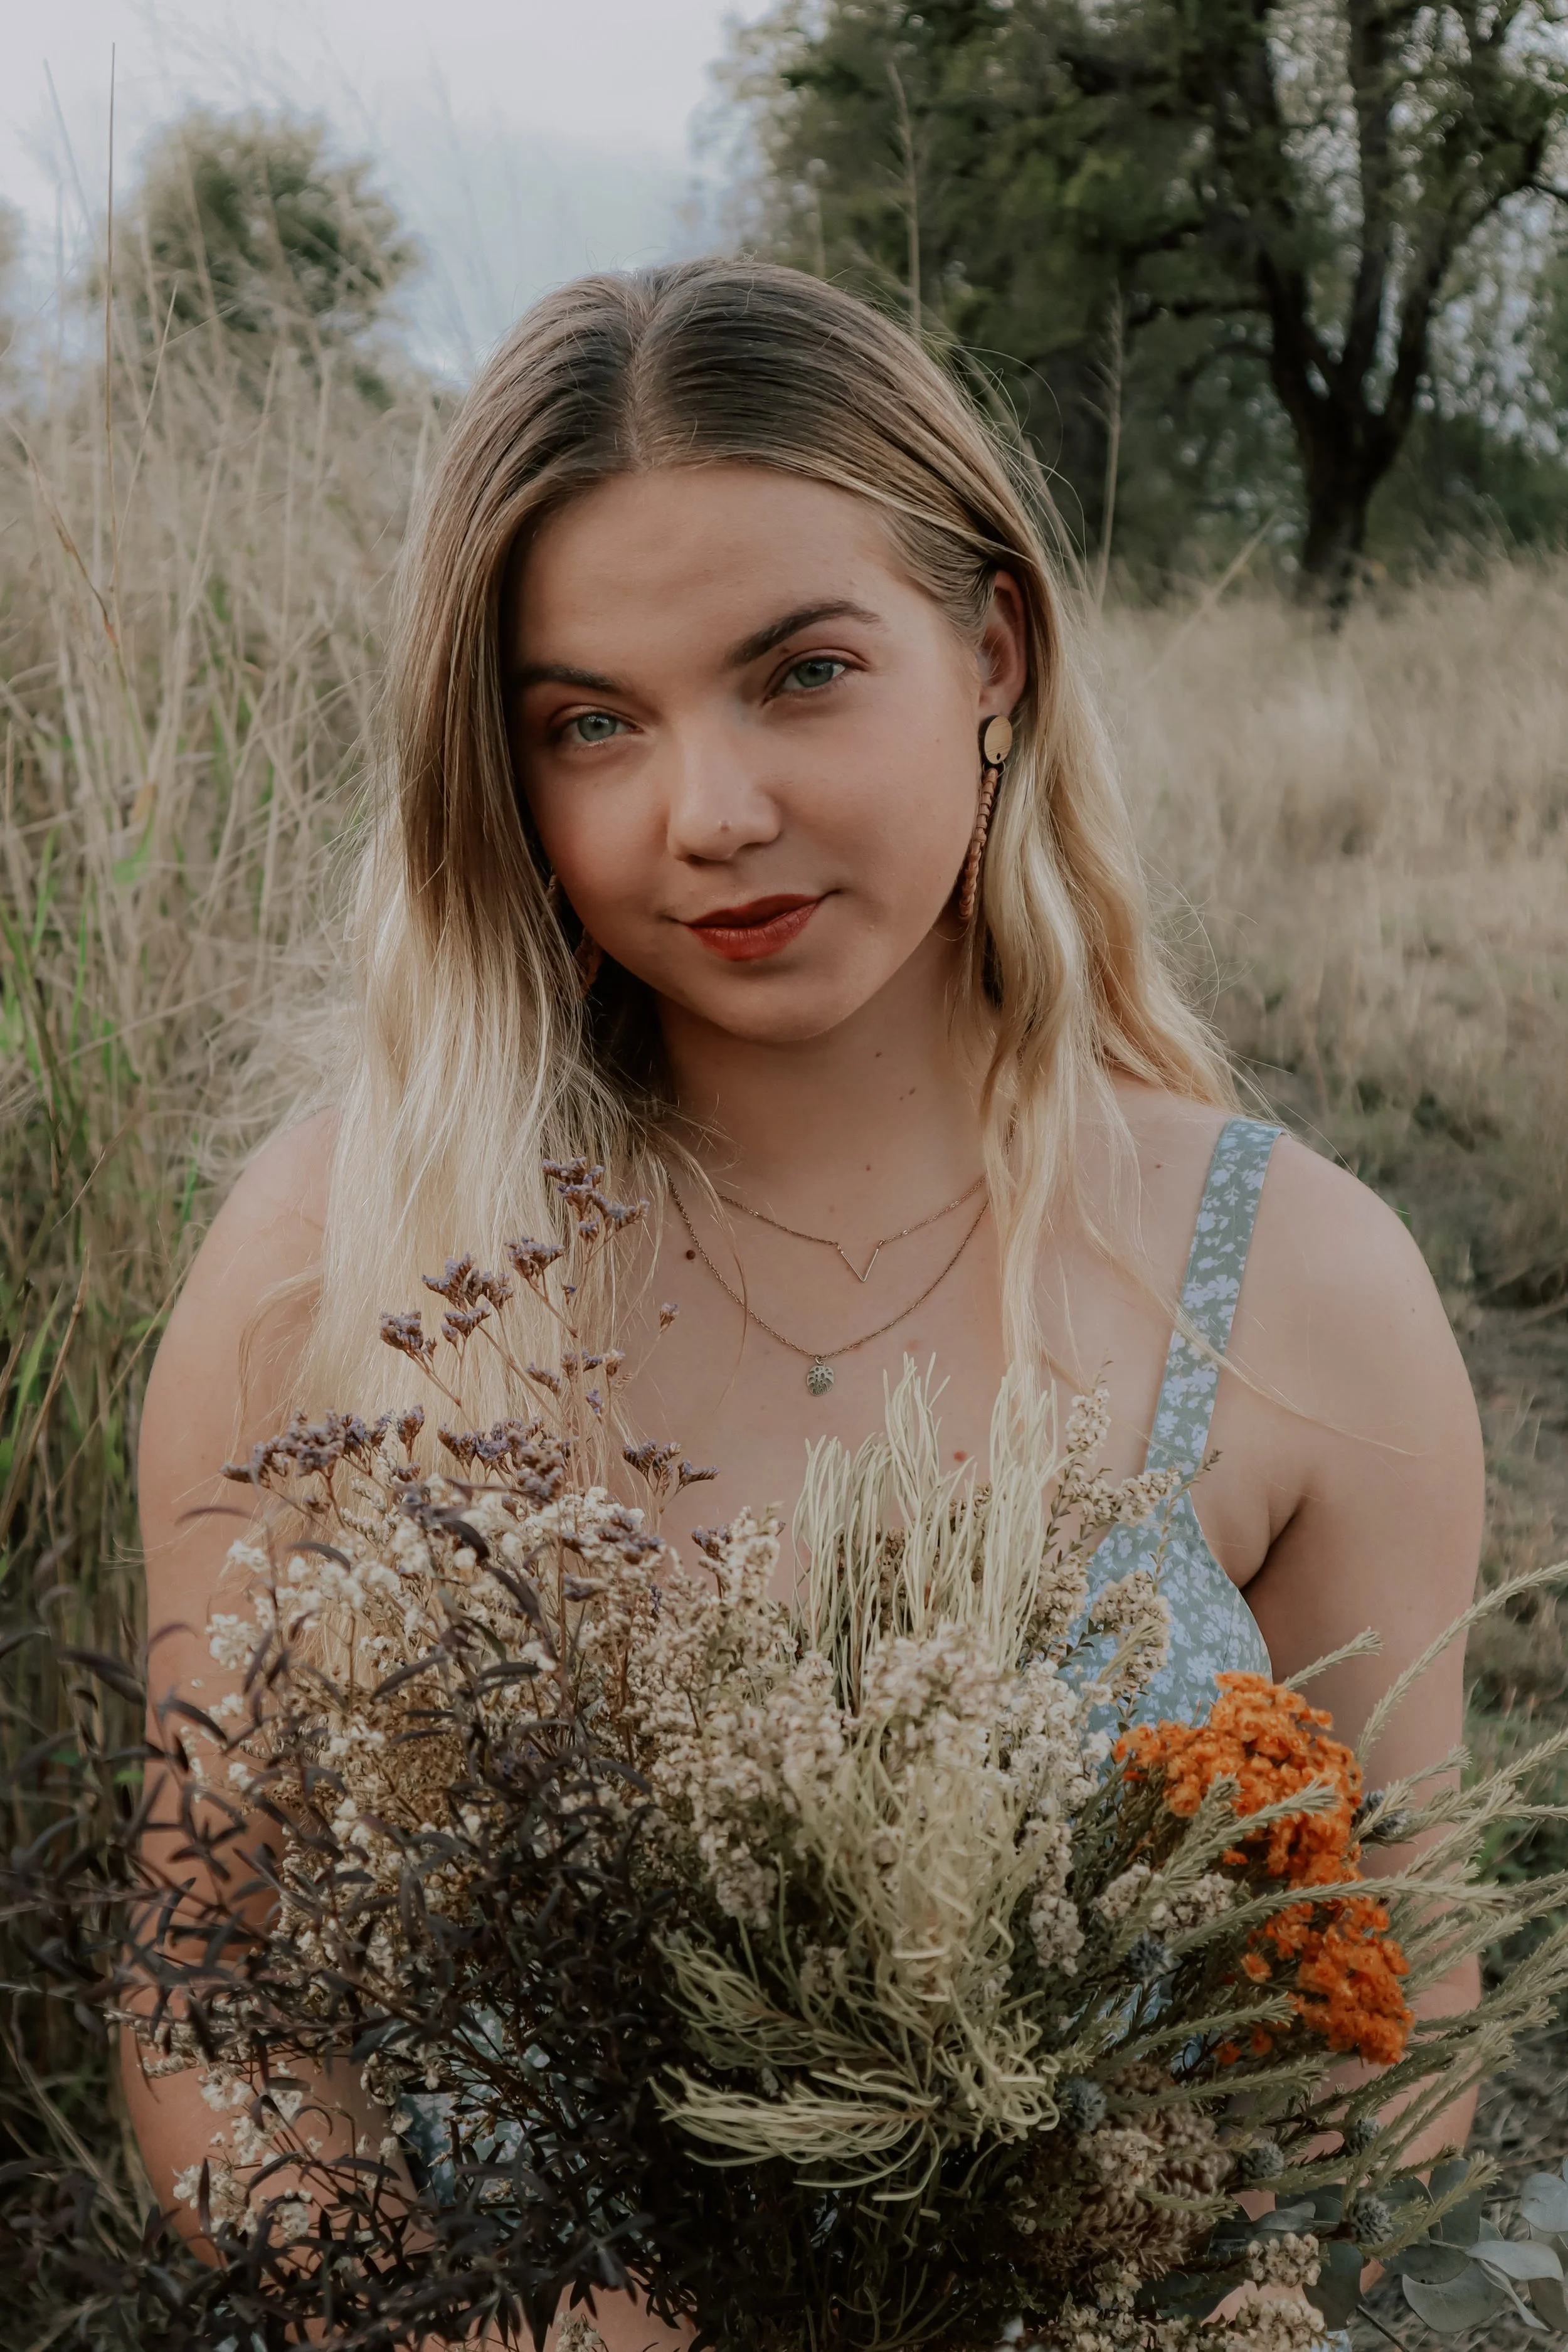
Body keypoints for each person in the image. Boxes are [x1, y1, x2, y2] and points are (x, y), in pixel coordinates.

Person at [129, 260, 1484, 2349]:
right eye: (590, 721)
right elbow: (208, 1986)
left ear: (993, 652)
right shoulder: (353, 1266)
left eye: (802, 673)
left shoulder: (1301, 1287)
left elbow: (1398, 2063)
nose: (710, 812)